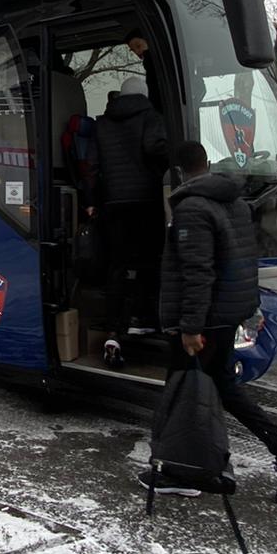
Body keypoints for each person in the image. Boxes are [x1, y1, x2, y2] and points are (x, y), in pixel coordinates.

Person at [160, 139, 277, 503]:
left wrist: (190, 327)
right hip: (227, 312)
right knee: (208, 390)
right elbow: (242, 260)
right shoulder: (233, 202)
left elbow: (198, 272)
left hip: (207, 319)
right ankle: (190, 469)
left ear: (178, 172)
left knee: (192, 391)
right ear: (208, 163)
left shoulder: (192, 209)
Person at [90, 74, 167, 365]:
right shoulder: (150, 116)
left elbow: (93, 166)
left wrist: (93, 201)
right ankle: (142, 318)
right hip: (146, 201)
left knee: (117, 266)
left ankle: (114, 326)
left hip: (113, 203)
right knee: (149, 262)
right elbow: (155, 149)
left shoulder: (103, 123)